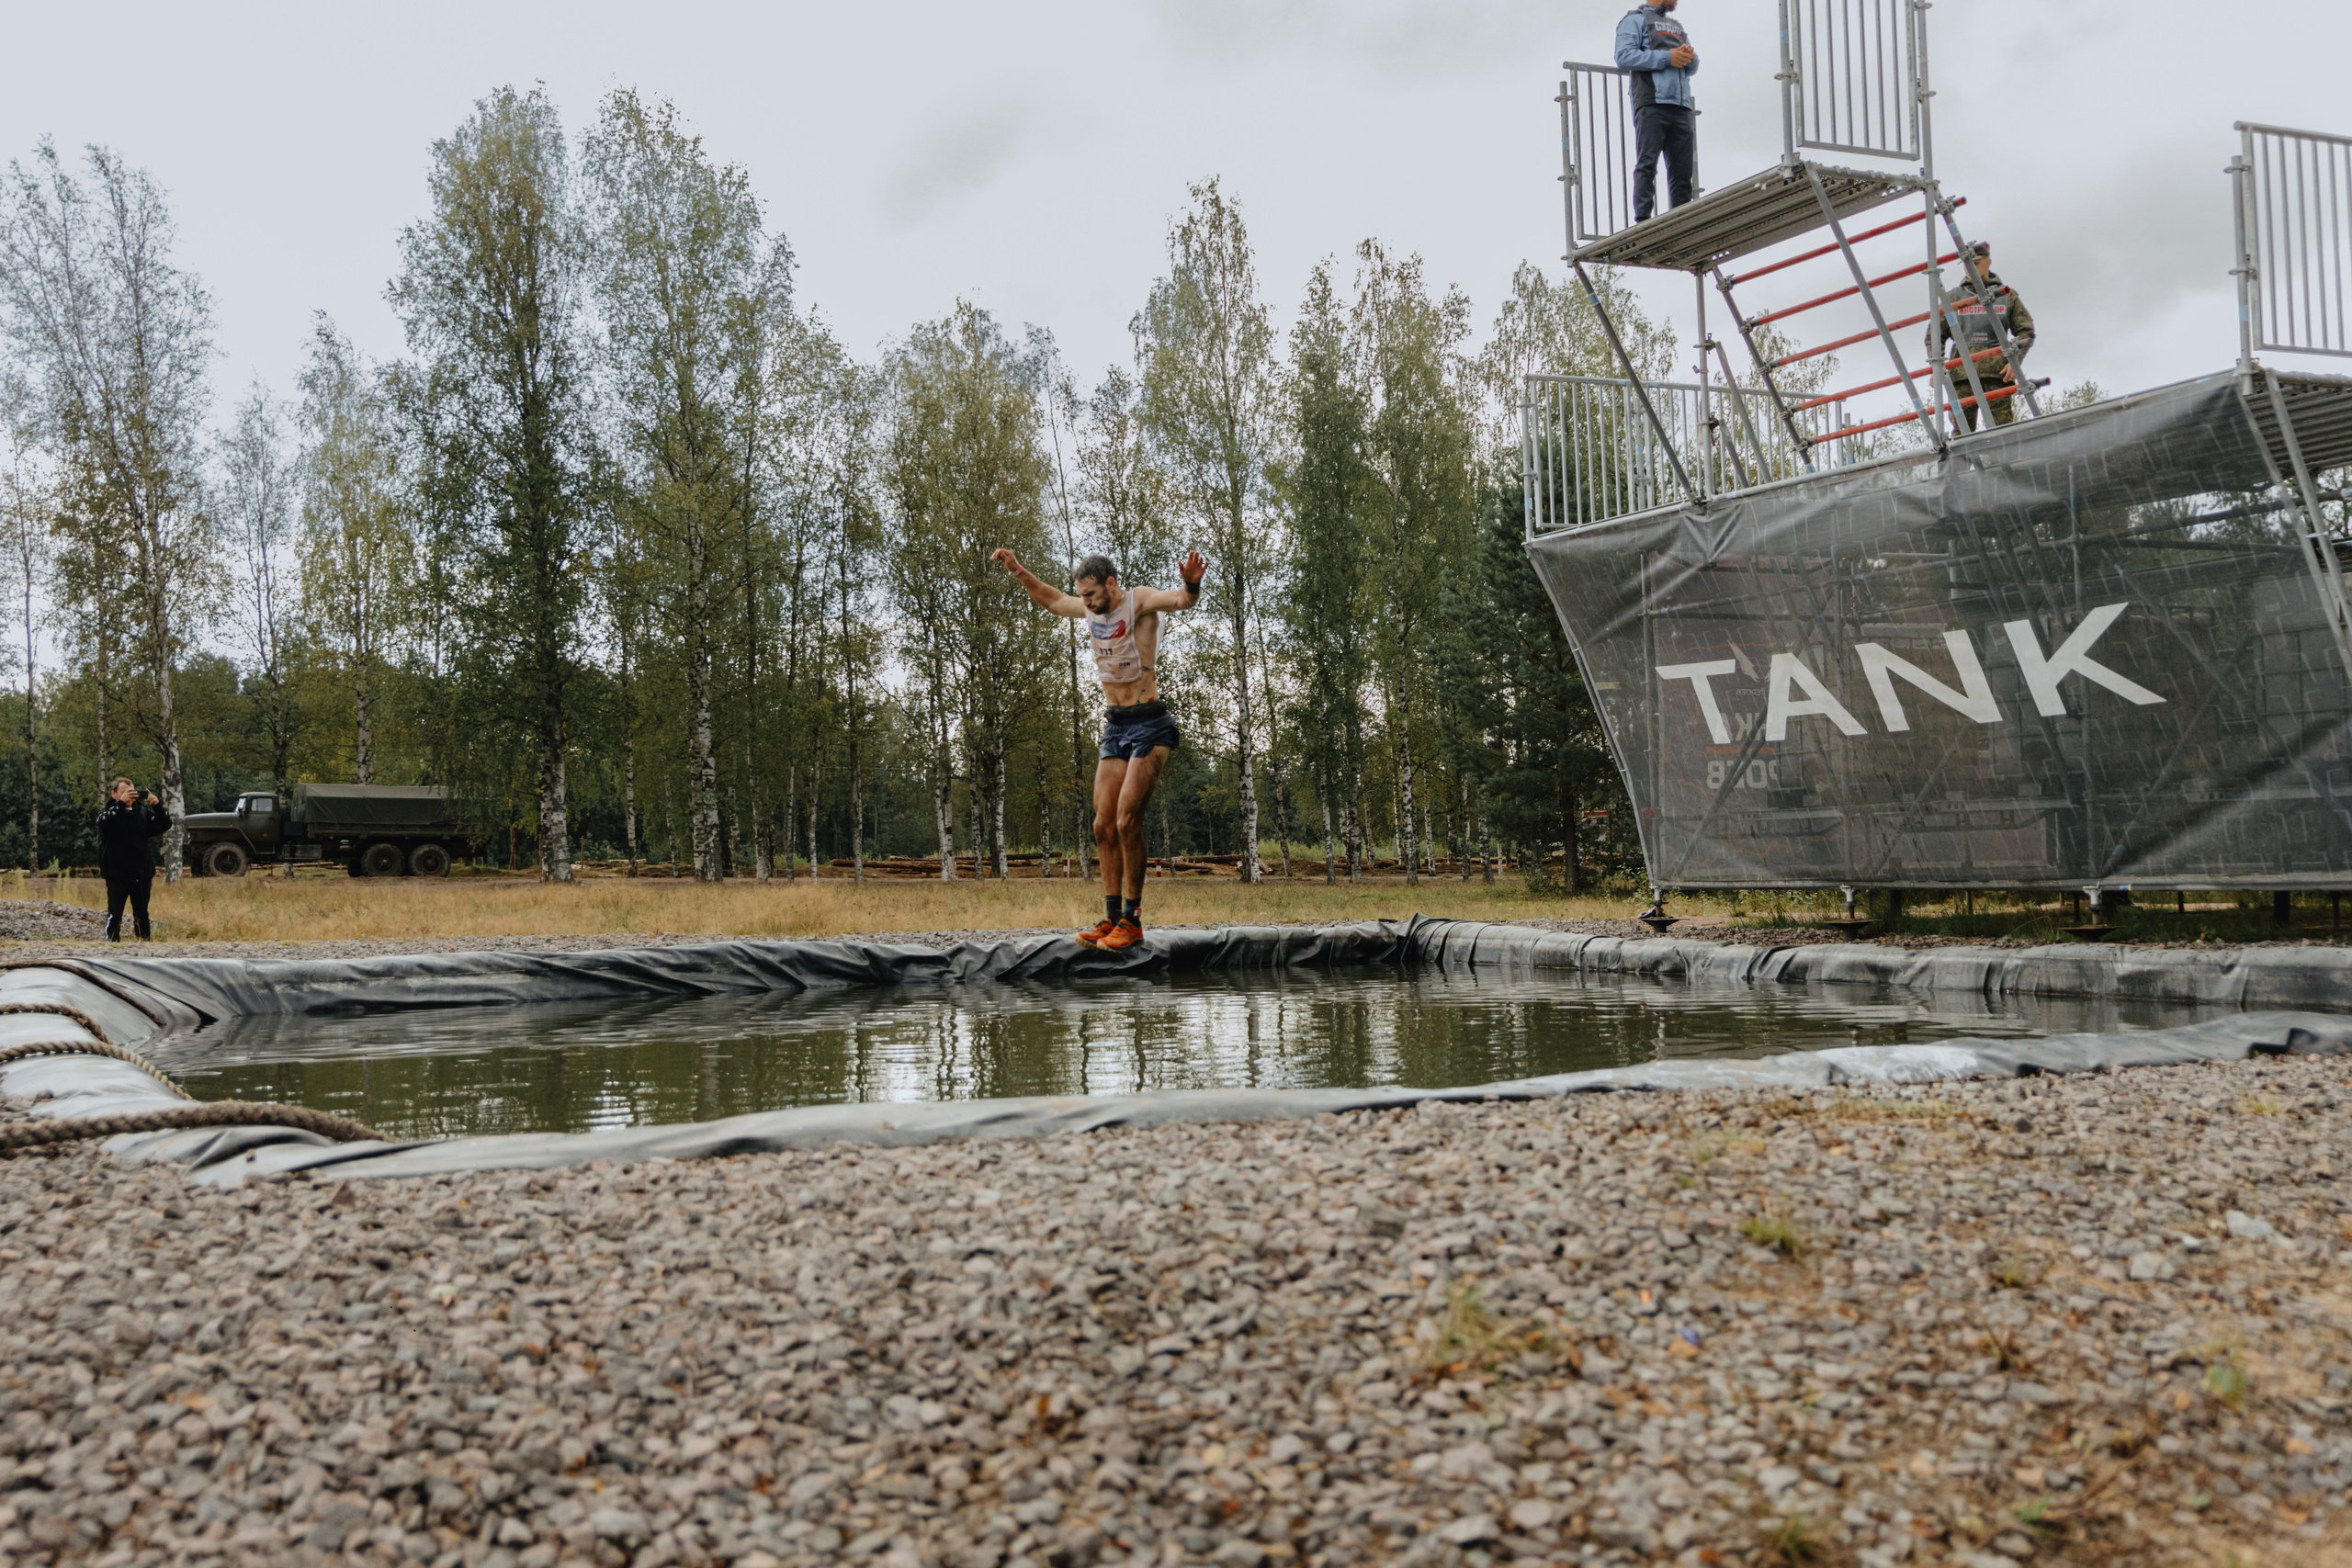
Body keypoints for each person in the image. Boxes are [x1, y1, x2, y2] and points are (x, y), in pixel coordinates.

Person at [993, 547, 1205, 951]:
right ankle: (1110, 919)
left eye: (1090, 594)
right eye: (1083, 596)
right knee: (1102, 824)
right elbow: (1053, 600)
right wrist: (1018, 569)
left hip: (1150, 723)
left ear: (1110, 584)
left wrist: (1191, 582)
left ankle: (1133, 920)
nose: (1086, 602)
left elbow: (1181, 601)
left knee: (1128, 822)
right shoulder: (1091, 608)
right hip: (1116, 725)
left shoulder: (1138, 601)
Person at [1936, 241, 2037, 431]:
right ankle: (1961, 462)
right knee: (1962, 433)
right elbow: (1935, 335)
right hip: (1961, 373)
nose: (1969, 269)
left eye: (1974, 263)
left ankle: (2003, 461)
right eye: (1966, 264)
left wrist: (2015, 361)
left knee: (2004, 430)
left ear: (1987, 262)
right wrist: (1937, 367)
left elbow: (2026, 331)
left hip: (1997, 373)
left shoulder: (2006, 295)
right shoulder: (1952, 298)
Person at [1616, 0, 1700, 223]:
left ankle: (1682, 222)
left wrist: (1687, 56)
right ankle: (1643, 221)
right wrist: (1668, 57)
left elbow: (1693, 65)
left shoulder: (1676, 25)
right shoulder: (1634, 20)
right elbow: (1624, 57)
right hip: (1651, 102)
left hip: (1681, 105)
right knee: (1647, 164)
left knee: (1682, 173)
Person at [96, 776, 173, 942]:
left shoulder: (142, 813)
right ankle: (112, 944)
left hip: (141, 873)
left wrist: (157, 805)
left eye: (131, 792)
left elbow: (165, 824)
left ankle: (144, 944)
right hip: (116, 873)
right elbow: (103, 824)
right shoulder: (109, 813)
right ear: (114, 793)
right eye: (123, 792)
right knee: (115, 914)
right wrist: (121, 804)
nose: (128, 796)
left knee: (142, 914)